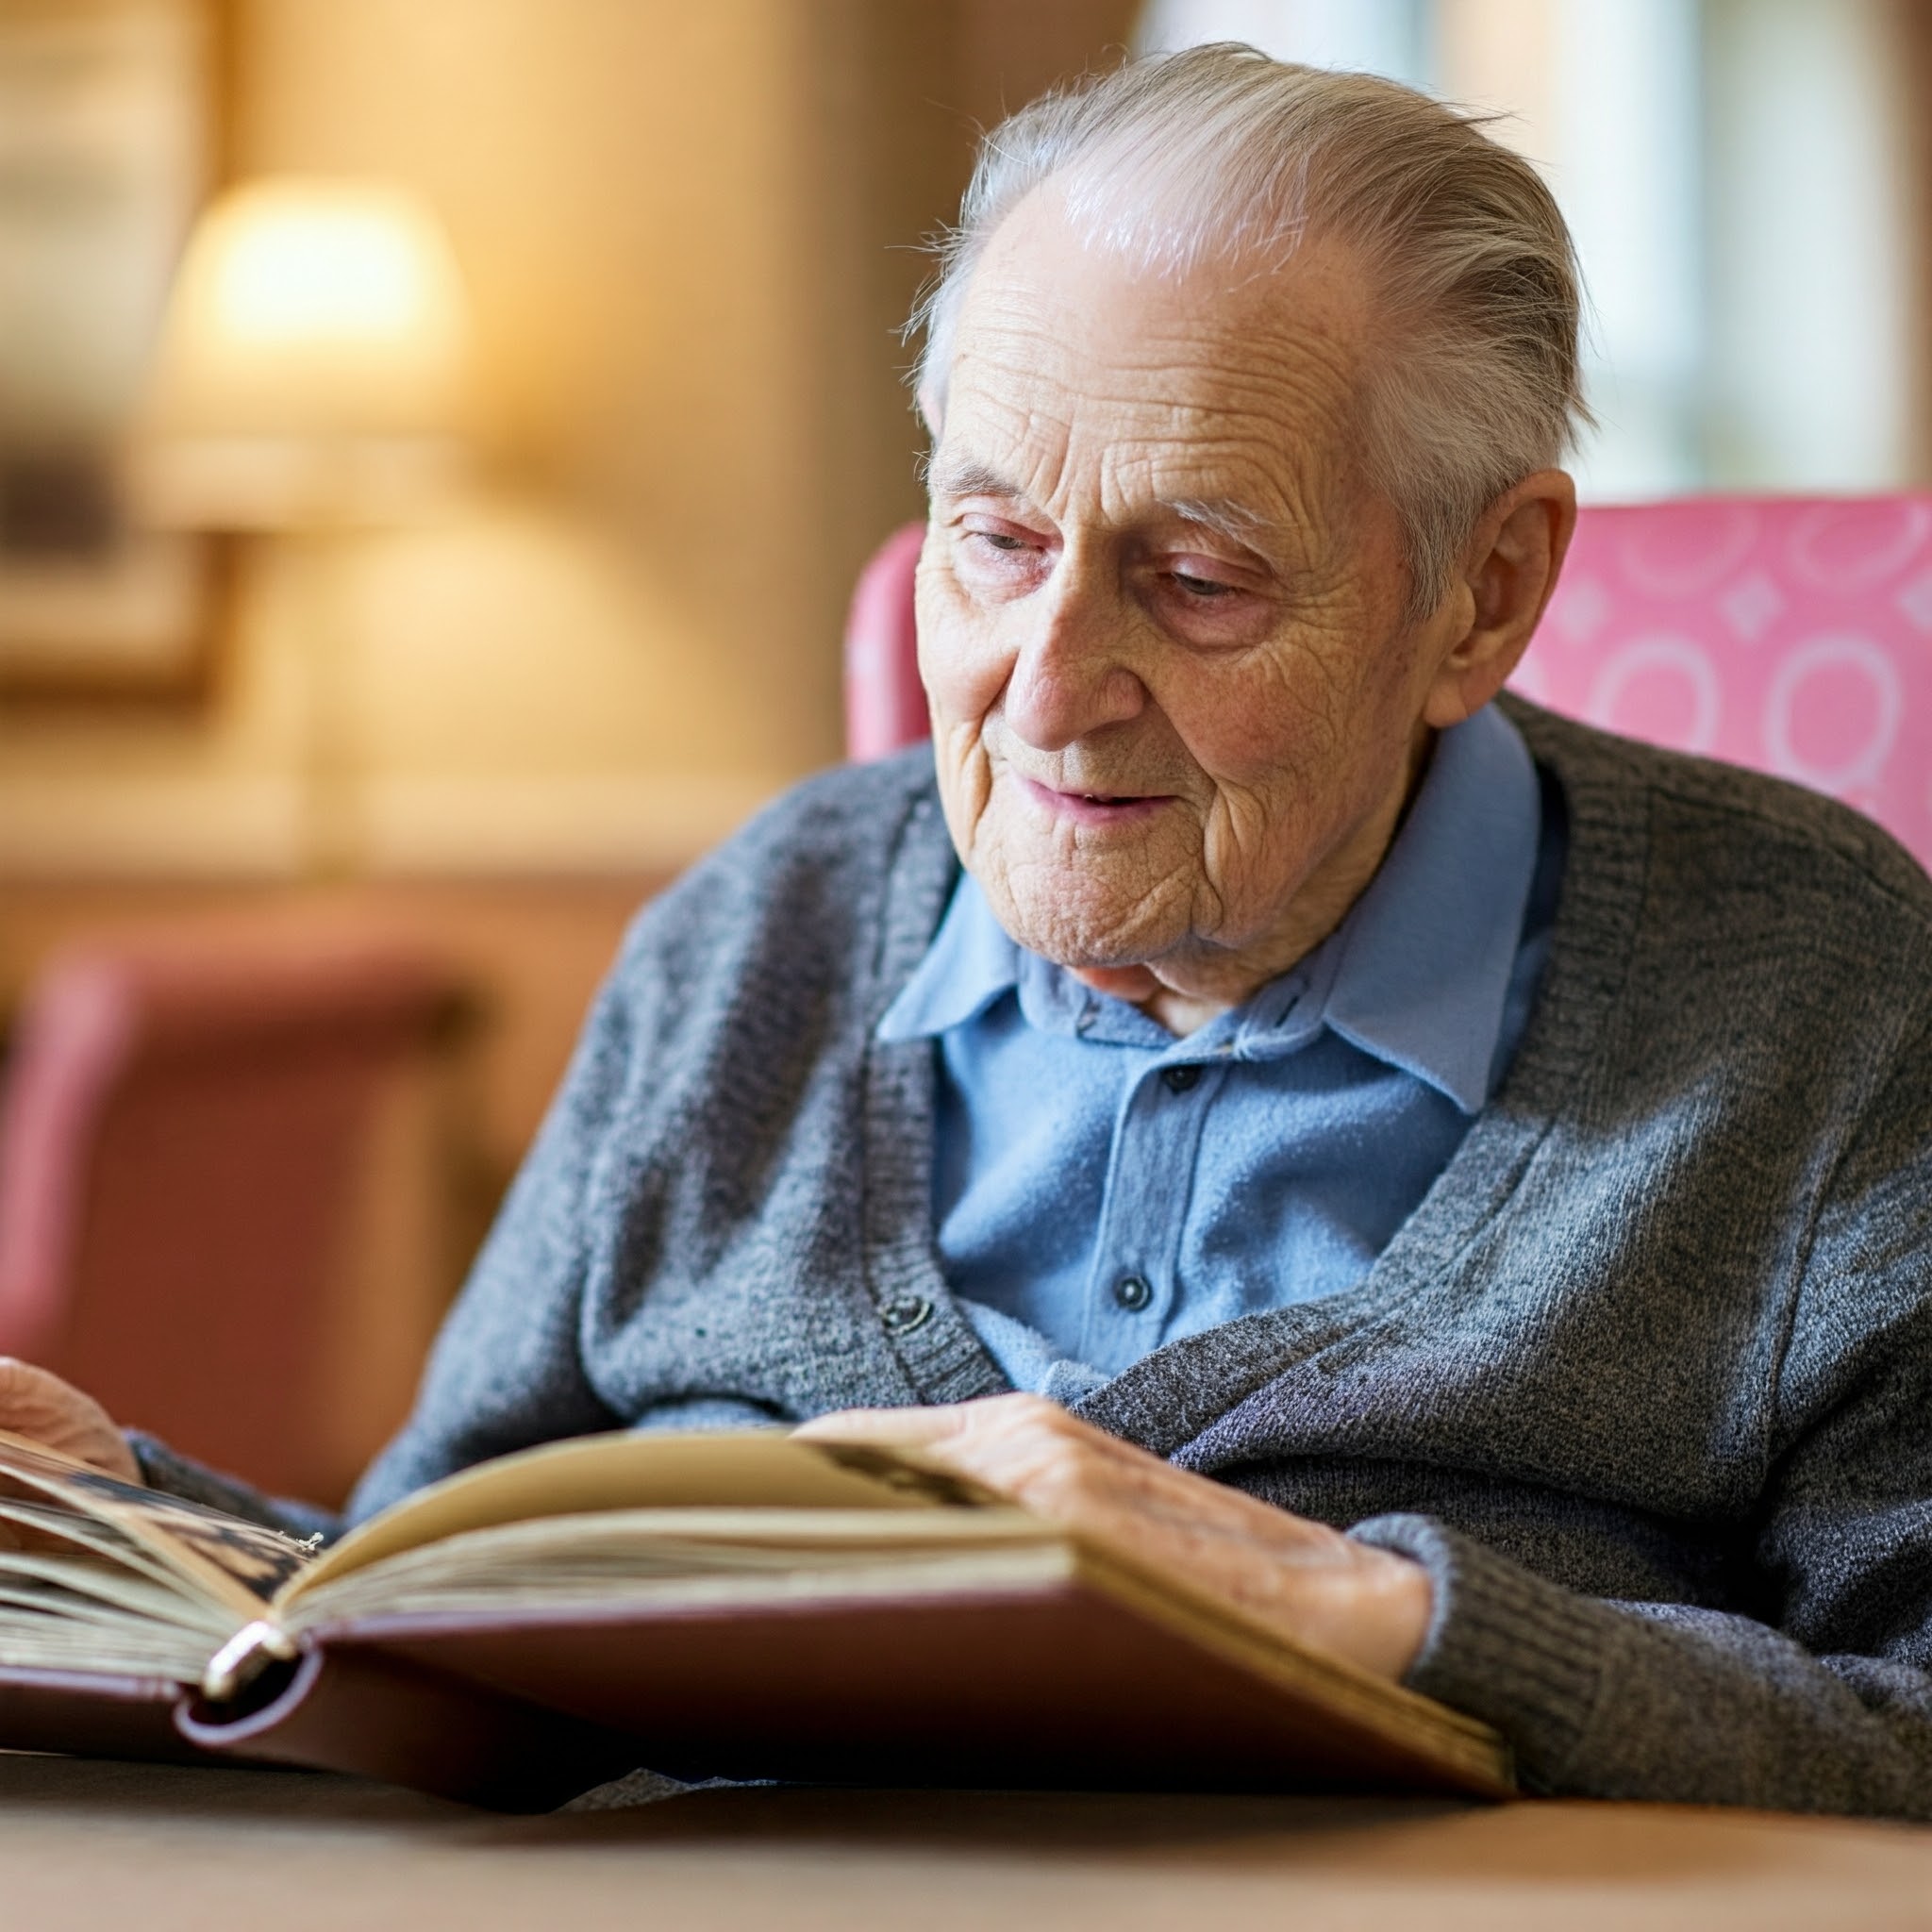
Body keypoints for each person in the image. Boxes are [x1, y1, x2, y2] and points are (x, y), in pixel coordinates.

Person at [7, 44, 1931, 1815]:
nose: (1047, 687)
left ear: (1480, 595)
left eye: (1193, 577)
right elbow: (434, 1585)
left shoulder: (1813, 991)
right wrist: (123, 1506)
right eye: (993, 541)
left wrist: (1345, 1605)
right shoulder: (758, 933)